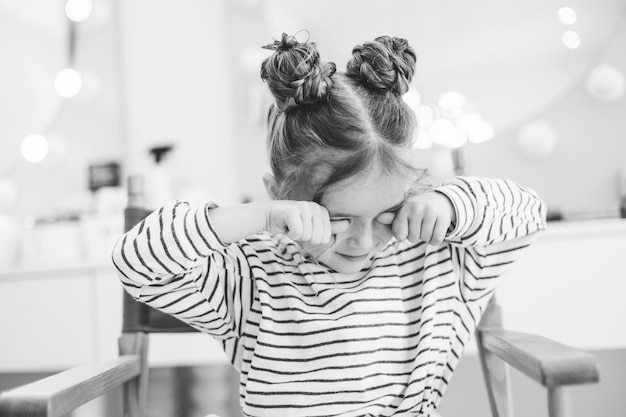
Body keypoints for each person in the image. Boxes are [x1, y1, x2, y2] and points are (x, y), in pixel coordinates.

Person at [112, 32, 547, 417]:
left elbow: (528, 213)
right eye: (337, 219)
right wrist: (258, 217)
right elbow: (135, 261)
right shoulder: (251, 276)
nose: (362, 240)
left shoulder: (439, 262)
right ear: (280, 196)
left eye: (384, 215)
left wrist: (451, 204)